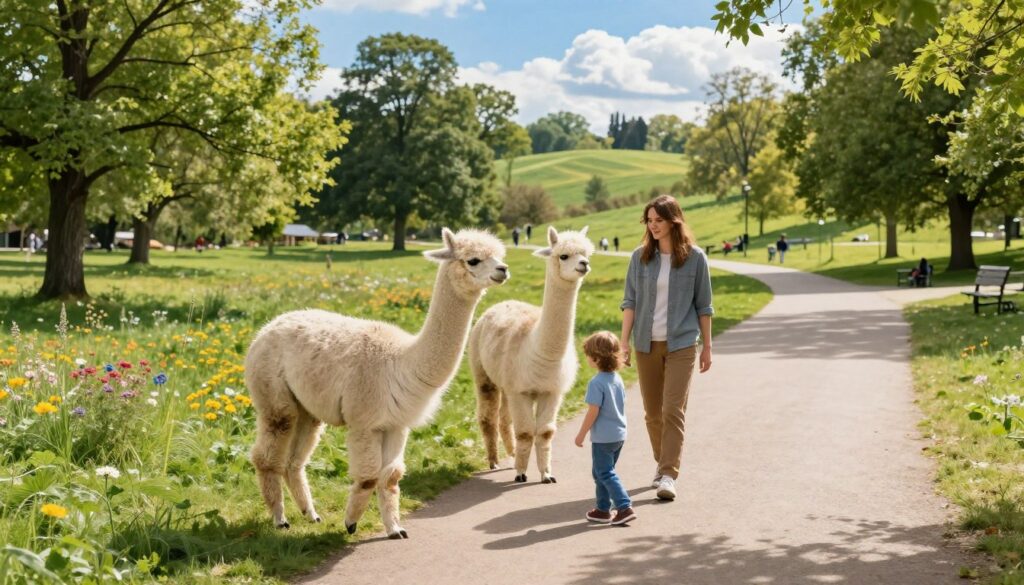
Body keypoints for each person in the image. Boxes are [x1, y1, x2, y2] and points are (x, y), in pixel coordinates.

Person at [621, 195, 713, 502]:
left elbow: (704, 306)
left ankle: (668, 474)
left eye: (659, 220)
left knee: (673, 409)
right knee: (652, 413)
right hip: (646, 343)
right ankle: (663, 464)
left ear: (674, 220)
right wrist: (623, 342)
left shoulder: (696, 258)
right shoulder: (639, 257)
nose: (653, 226)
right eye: (649, 220)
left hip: (682, 343)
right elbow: (630, 302)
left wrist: (708, 346)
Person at [575, 331, 636, 526]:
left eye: (588, 355)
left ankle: (624, 507)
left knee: (605, 472)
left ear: (596, 358)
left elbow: (593, 412)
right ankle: (602, 509)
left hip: (603, 438)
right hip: (618, 435)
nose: (587, 359)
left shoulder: (596, 383)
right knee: (601, 471)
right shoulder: (616, 378)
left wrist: (581, 434)